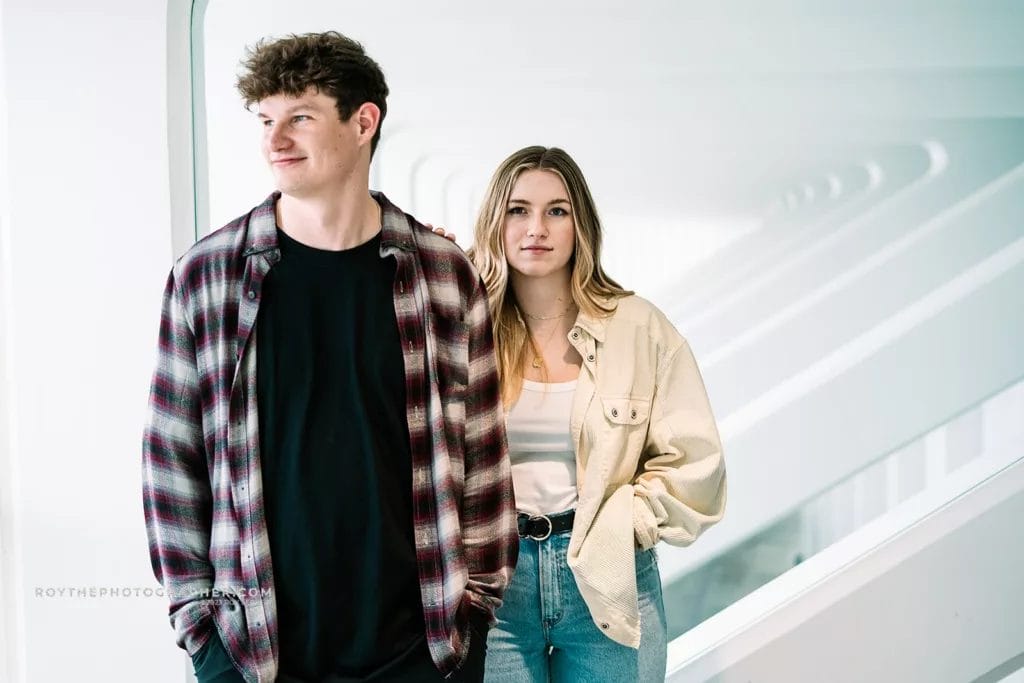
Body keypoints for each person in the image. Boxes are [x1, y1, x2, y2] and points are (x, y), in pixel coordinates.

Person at [141, 31, 517, 683]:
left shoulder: (443, 275)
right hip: (259, 655)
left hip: (421, 652)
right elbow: (171, 463)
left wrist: (472, 619)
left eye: (300, 117)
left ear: (363, 121)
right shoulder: (206, 277)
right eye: (265, 120)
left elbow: (483, 453)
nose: (274, 139)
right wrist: (204, 635)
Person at [466, 146, 727, 682]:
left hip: (607, 580)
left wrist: (627, 526)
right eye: (518, 210)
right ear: (496, 221)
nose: (536, 227)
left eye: (556, 211)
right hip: (493, 585)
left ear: (580, 224)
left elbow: (696, 462)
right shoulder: (463, 325)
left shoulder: (638, 327)